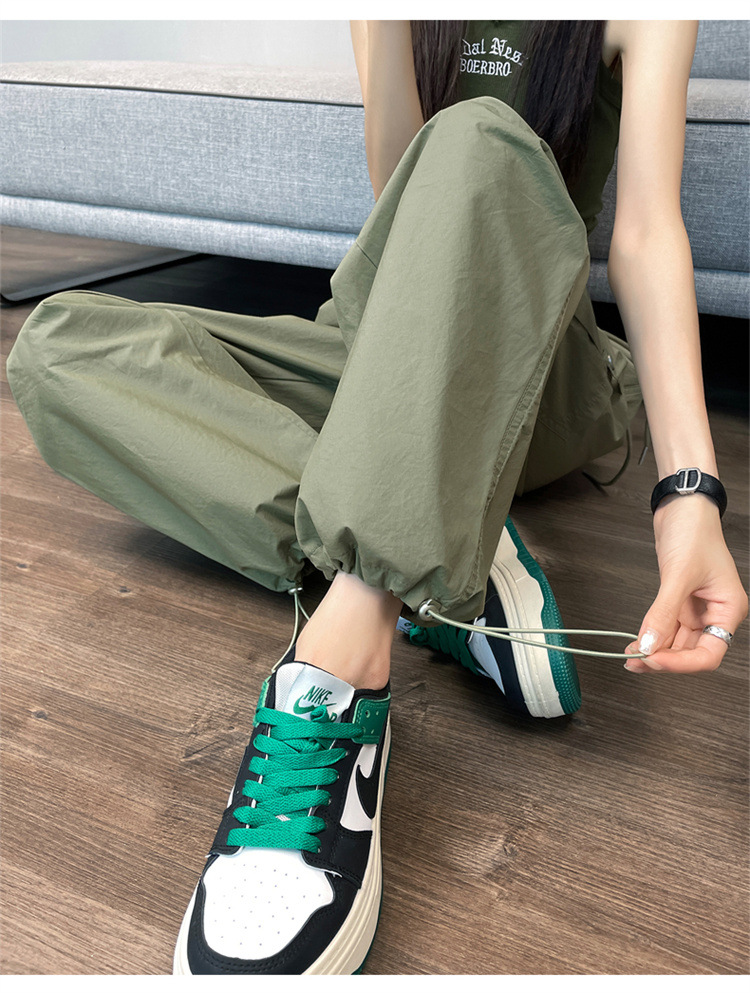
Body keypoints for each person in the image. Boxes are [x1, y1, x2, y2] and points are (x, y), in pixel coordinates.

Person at [6, 19, 747, 976]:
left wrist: (689, 493)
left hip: (533, 365)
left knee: (479, 137)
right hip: (379, 342)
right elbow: (396, 195)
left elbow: (646, 234)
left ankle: (340, 664)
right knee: (60, 347)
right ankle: (438, 553)